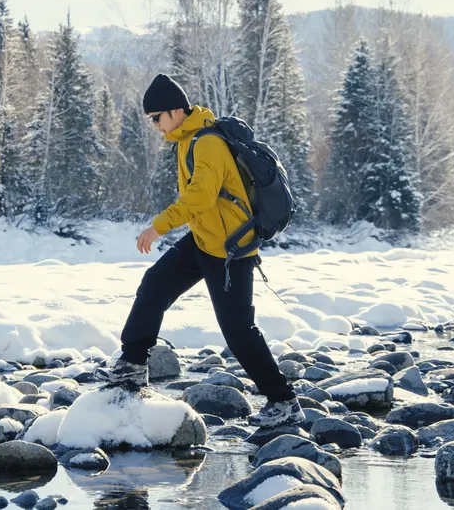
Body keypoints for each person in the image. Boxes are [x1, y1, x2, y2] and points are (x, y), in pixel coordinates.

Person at [95, 73, 305, 428]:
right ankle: (132, 365)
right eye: (151, 120)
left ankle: (284, 400)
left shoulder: (206, 143)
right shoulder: (187, 139)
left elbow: (200, 197)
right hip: (205, 239)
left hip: (230, 250)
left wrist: (158, 225)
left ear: (176, 111)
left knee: (238, 329)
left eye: (157, 118)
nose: (155, 125)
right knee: (155, 284)